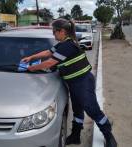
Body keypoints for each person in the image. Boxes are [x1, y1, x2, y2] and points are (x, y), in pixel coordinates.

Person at [21, 19, 117, 147]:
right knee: (77, 110)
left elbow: (50, 62)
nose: (53, 34)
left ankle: (108, 135)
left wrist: (31, 68)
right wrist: (32, 58)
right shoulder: (62, 44)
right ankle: (76, 135)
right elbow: (48, 52)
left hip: (83, 82)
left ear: (62, 31)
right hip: (74, 83)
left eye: (54, 31)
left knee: (91, 109)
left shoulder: (67, 46)